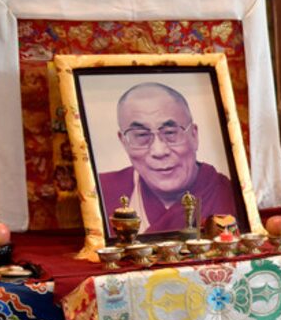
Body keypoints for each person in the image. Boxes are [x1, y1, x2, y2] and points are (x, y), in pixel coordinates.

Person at [98, 82, 238, 233]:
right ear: (124, 142)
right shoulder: (102, 193)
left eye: (170, 132)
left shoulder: (228, 195)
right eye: (141, 135)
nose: (159, 151)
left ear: (194, 135)